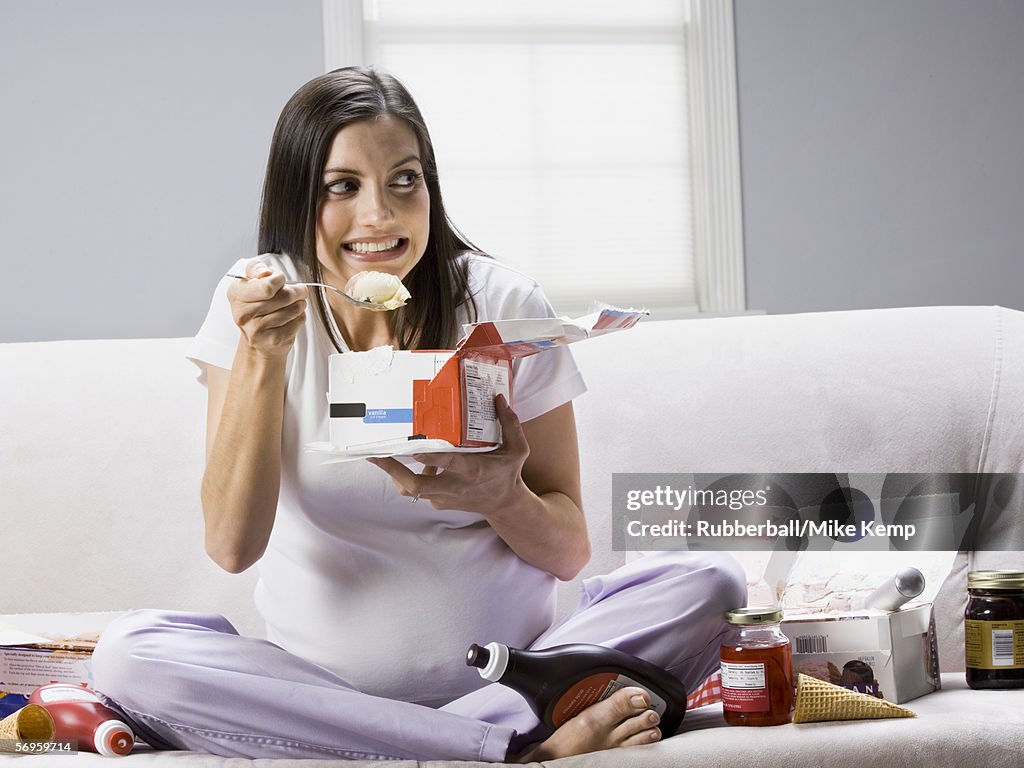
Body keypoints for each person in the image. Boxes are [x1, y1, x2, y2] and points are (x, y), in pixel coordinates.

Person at [91, 66, 746, 762]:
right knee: (129, 655)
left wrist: (503, 496)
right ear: (296, 198)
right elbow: (231, 545)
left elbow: (569, 552)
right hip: (326, 694)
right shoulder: (257, 302)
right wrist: (263, 355)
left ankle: (437, 745)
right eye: (343, 187)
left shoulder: (502, 305)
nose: (381, 215)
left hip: (517, 676)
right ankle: (513, 751)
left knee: (712, 582)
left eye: (405, 180)